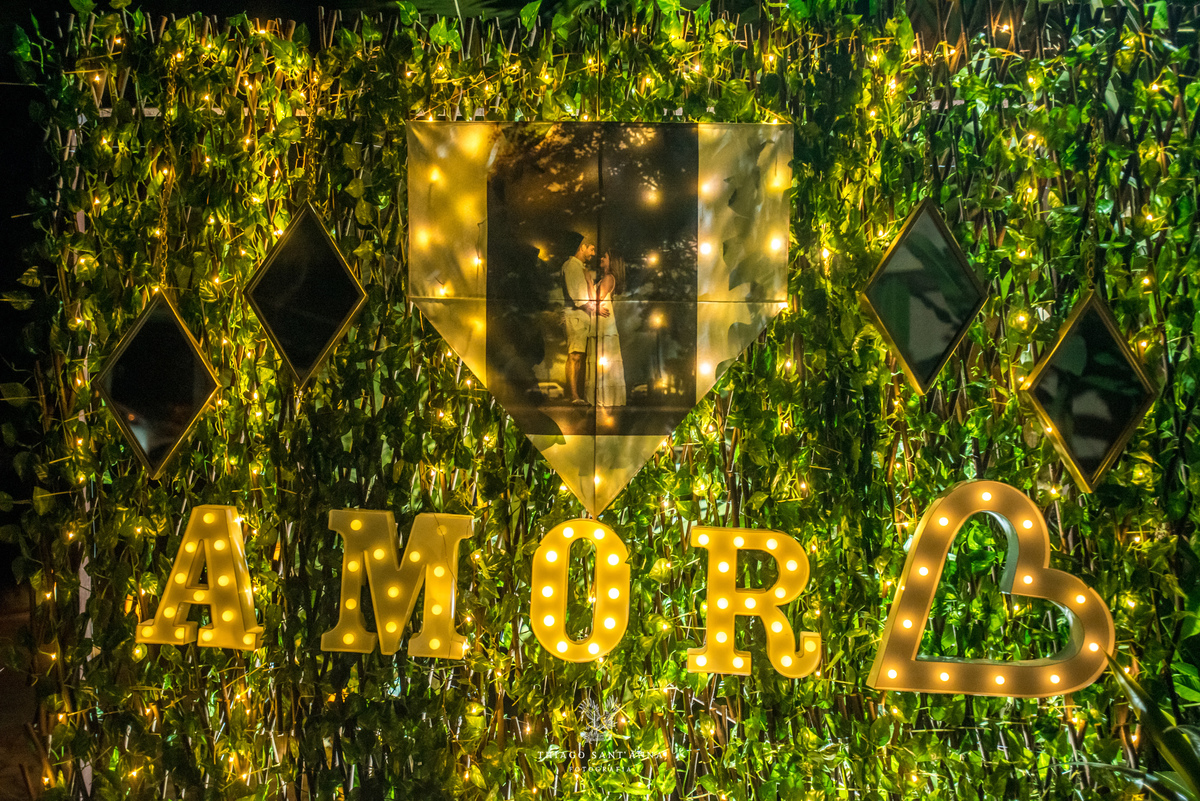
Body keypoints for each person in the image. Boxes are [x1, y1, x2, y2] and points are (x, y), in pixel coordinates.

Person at [560, 235, 606, 405]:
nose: (593, 253)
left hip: (582, 317)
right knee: (574, 356)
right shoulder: (572, 266)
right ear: (582, 247)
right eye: (591, 249)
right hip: (576, 317)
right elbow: (578, 298)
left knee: (578, 356)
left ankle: (576, 395)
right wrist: (596, 308)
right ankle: (573, 396)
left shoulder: (580, 267)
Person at [594, 252, 626, 407]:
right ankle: (607, 397)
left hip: (604, 322)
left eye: (605, 257)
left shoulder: (608, 278)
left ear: (611, 261)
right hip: (604, 320)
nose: (601, 258)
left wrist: (588, 283)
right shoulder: (607, 278)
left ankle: (605, 398)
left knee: (603, 355)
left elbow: (597, 299)